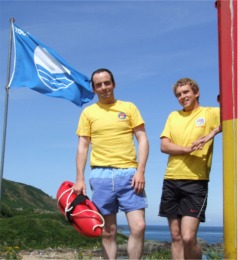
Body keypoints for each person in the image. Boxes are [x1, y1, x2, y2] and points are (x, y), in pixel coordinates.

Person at [73, 68, 149, 259]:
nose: (104, 87)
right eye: (99, 85)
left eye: (107, 83)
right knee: (108, 231)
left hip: (130, 174)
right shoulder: (88, 112)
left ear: (114, 84)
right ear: (94, 88)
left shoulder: (129, 107)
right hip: (101, 175)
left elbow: (143, 139)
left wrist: (141, 170)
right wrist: (79, 179)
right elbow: (83, 147)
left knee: (139, 226)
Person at [159, 78, 221, 259]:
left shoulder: (210, 113)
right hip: (171, 179)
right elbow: (164, 146)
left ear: (196, 92)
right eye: (178, 94)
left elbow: (232, 115)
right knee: (176, 237)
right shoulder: (173, 116)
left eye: (186, 92)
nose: (182, 97)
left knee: (188, 237)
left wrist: (211, 133)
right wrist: (186, 149)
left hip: (196, 182)